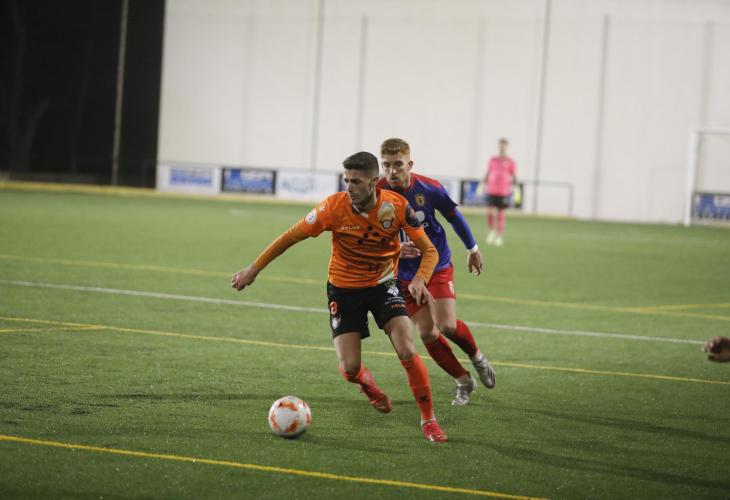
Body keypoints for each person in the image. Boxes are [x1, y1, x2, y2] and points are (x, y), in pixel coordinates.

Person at [231, 151, 448, 442]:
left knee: (407, 348)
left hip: (384, 285)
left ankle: (429, 421)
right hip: (344, 290)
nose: (349, 187)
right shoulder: (332, 208)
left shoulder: (396, 206)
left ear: (374, 181)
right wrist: (254, 269)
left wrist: (420, 279)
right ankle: (366, 384)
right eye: (346, 180)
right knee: (350, 367)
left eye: (356, 181)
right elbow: (290, 236)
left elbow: (429, 250)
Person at [378, 138, 496, 407]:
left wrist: (473, 249)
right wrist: (395, 249)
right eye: (386, 165)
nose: (392, 171)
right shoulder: (377, 192)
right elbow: (371, 235)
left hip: (437, 264)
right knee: (428, 333)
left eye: (398, 165)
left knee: (447, 325)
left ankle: (477, 358)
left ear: (410, 164)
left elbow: (454, 216)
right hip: (405, 275)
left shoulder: (429, 188)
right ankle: (463, 381)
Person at [485, 138, 517, 247]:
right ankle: (491, 232)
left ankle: (499, 235)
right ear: (498, 146)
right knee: (490, 212)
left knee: (501, 214)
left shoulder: (510, 161)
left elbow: (514, 175)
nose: (502, 147)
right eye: (500, 145)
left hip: (503, 191)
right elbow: (488, 172)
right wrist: (482, 183)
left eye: (504, 145)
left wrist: (516, 188)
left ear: (506, 147)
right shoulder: (493, 159)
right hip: (492, 189)